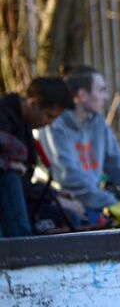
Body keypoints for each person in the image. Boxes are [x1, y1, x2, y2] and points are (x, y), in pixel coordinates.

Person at [39, 66, 120, 226]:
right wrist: (114, 205)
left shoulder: (99, 124)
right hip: (65, 206)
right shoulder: (54, 125)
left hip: (98, 204)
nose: (106, 97)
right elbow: (70, 180)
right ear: (82, 96)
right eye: (101, 90)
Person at [0, 77, 74, 237]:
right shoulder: (4, 115)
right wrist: (6, 164)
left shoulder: (24, 124)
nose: (51, 123)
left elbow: (25, 183)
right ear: (32, 104)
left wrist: (54, 195)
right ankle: (21, 247)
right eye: (49, 116)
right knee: (10, 177)